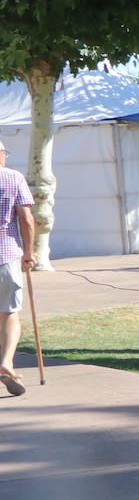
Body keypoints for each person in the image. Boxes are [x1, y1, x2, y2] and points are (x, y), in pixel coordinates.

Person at [0, 141, 34, 397]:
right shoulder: (13, 177)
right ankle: (7, 361)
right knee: (10, 313)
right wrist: (29, 254)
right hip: (7, 254)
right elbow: (26, 220)